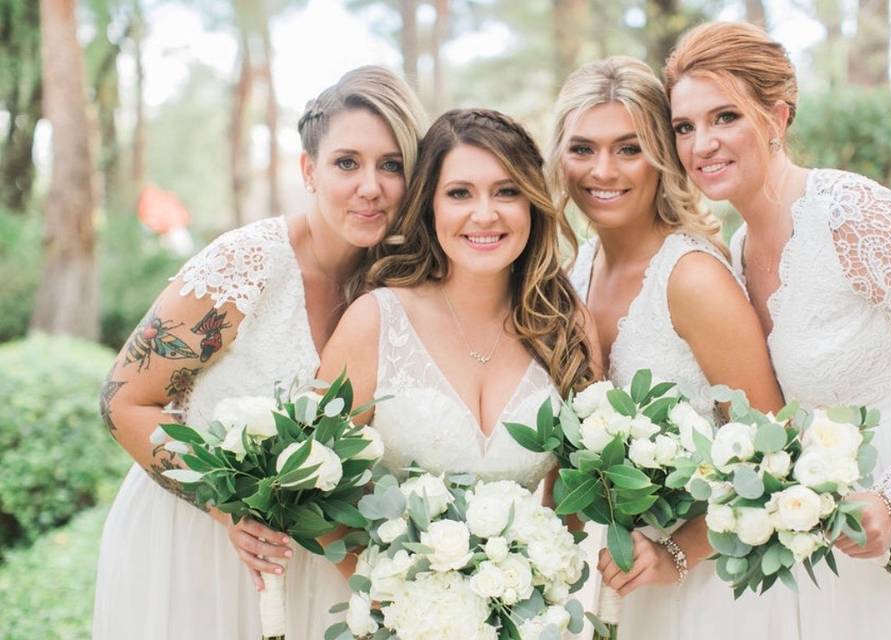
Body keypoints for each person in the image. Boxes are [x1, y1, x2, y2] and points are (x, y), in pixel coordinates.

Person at [93, 66, 425, 640]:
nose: (370, 185)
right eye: (347, 162)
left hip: (316, 561)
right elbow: (123, 400)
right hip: (195, 547)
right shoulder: (245, 266)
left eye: (391, 165)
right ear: (309, 171)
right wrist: (229, 508)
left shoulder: (394, 282)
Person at [666, 21, 891, 638]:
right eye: (684, 127)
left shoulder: (852, 214)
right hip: (837, 540)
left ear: (776, 116)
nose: (702, 144)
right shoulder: (739, 252)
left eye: (725, 117)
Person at [549, 56, 792, 638]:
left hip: (707, 593)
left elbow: (773, 456)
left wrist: (677, 553)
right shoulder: (577, 269)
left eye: (628, 148)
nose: (602, 170)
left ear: (662, 155)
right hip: (616, 581)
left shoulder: (691, 278)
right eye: (582, 148)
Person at [317, 107, 598, 535]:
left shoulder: (566, 325)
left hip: (526, 598)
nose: (485, 215)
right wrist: (384, 594)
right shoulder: (375, 321)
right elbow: (320, 488)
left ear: (531, 203)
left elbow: (570, 508)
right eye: (460, 194)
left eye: (506, 192)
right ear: (429, 206)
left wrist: (546, 584)